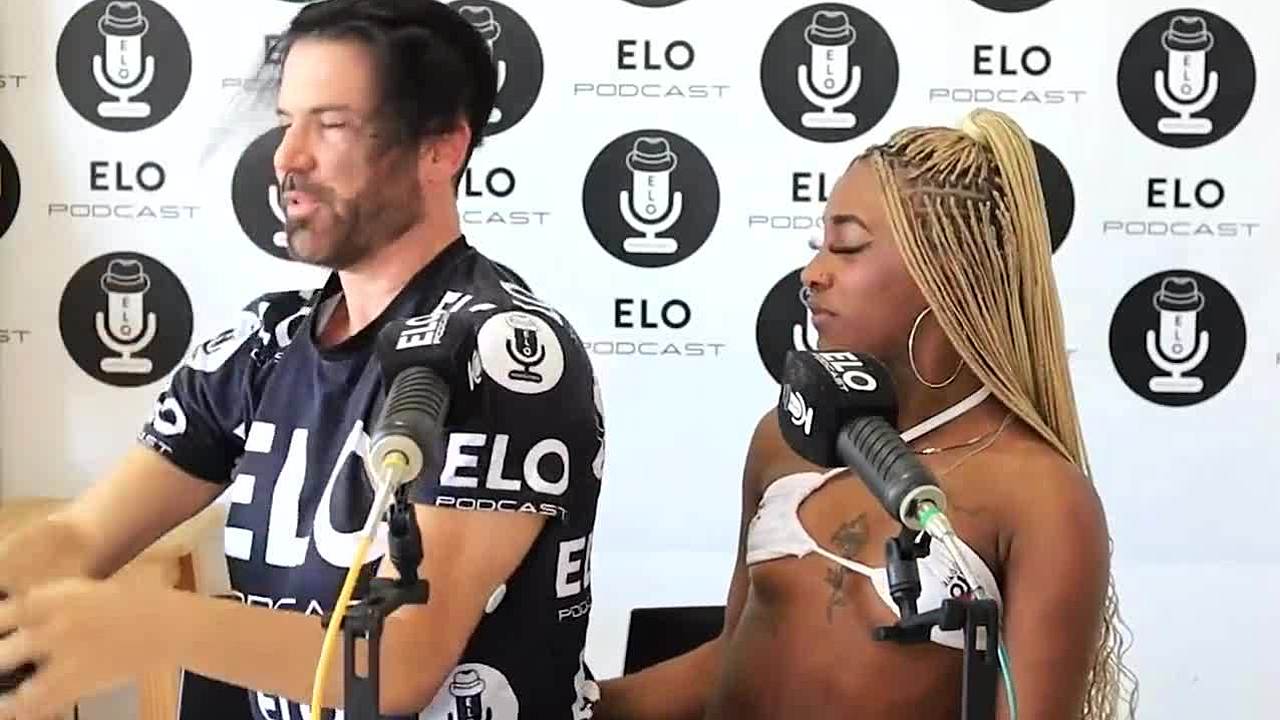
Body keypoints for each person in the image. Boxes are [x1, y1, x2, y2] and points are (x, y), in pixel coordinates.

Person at [0, 2, 604, 719]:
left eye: (332, 124)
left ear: (440, 149)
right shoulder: (266, 340)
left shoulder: (501, 352)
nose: (287, 157)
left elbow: (398, 664)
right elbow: (81, 536)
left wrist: (150, 624)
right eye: (288, 121)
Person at [594, 108, 1138, 720]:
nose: (812, 274)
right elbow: (732, 660)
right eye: (818, 248)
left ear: (947, 271)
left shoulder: (1042, 498)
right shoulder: (786, 438)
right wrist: (587, 704)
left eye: (847, 247)